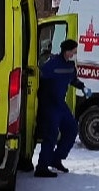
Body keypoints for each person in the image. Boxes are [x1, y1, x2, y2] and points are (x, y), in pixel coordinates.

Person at [35, 39, 89, 178]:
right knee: (51, 135)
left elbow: (72, 80)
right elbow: (38, 80)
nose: (74, 54)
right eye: (73, 51)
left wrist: (82, 87)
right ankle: (41, 167)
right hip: (49, 104)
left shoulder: (70, 66)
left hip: (60, 104)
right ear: (67, 50)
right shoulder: (51, 64)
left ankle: (56, 159)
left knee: (72, 129)